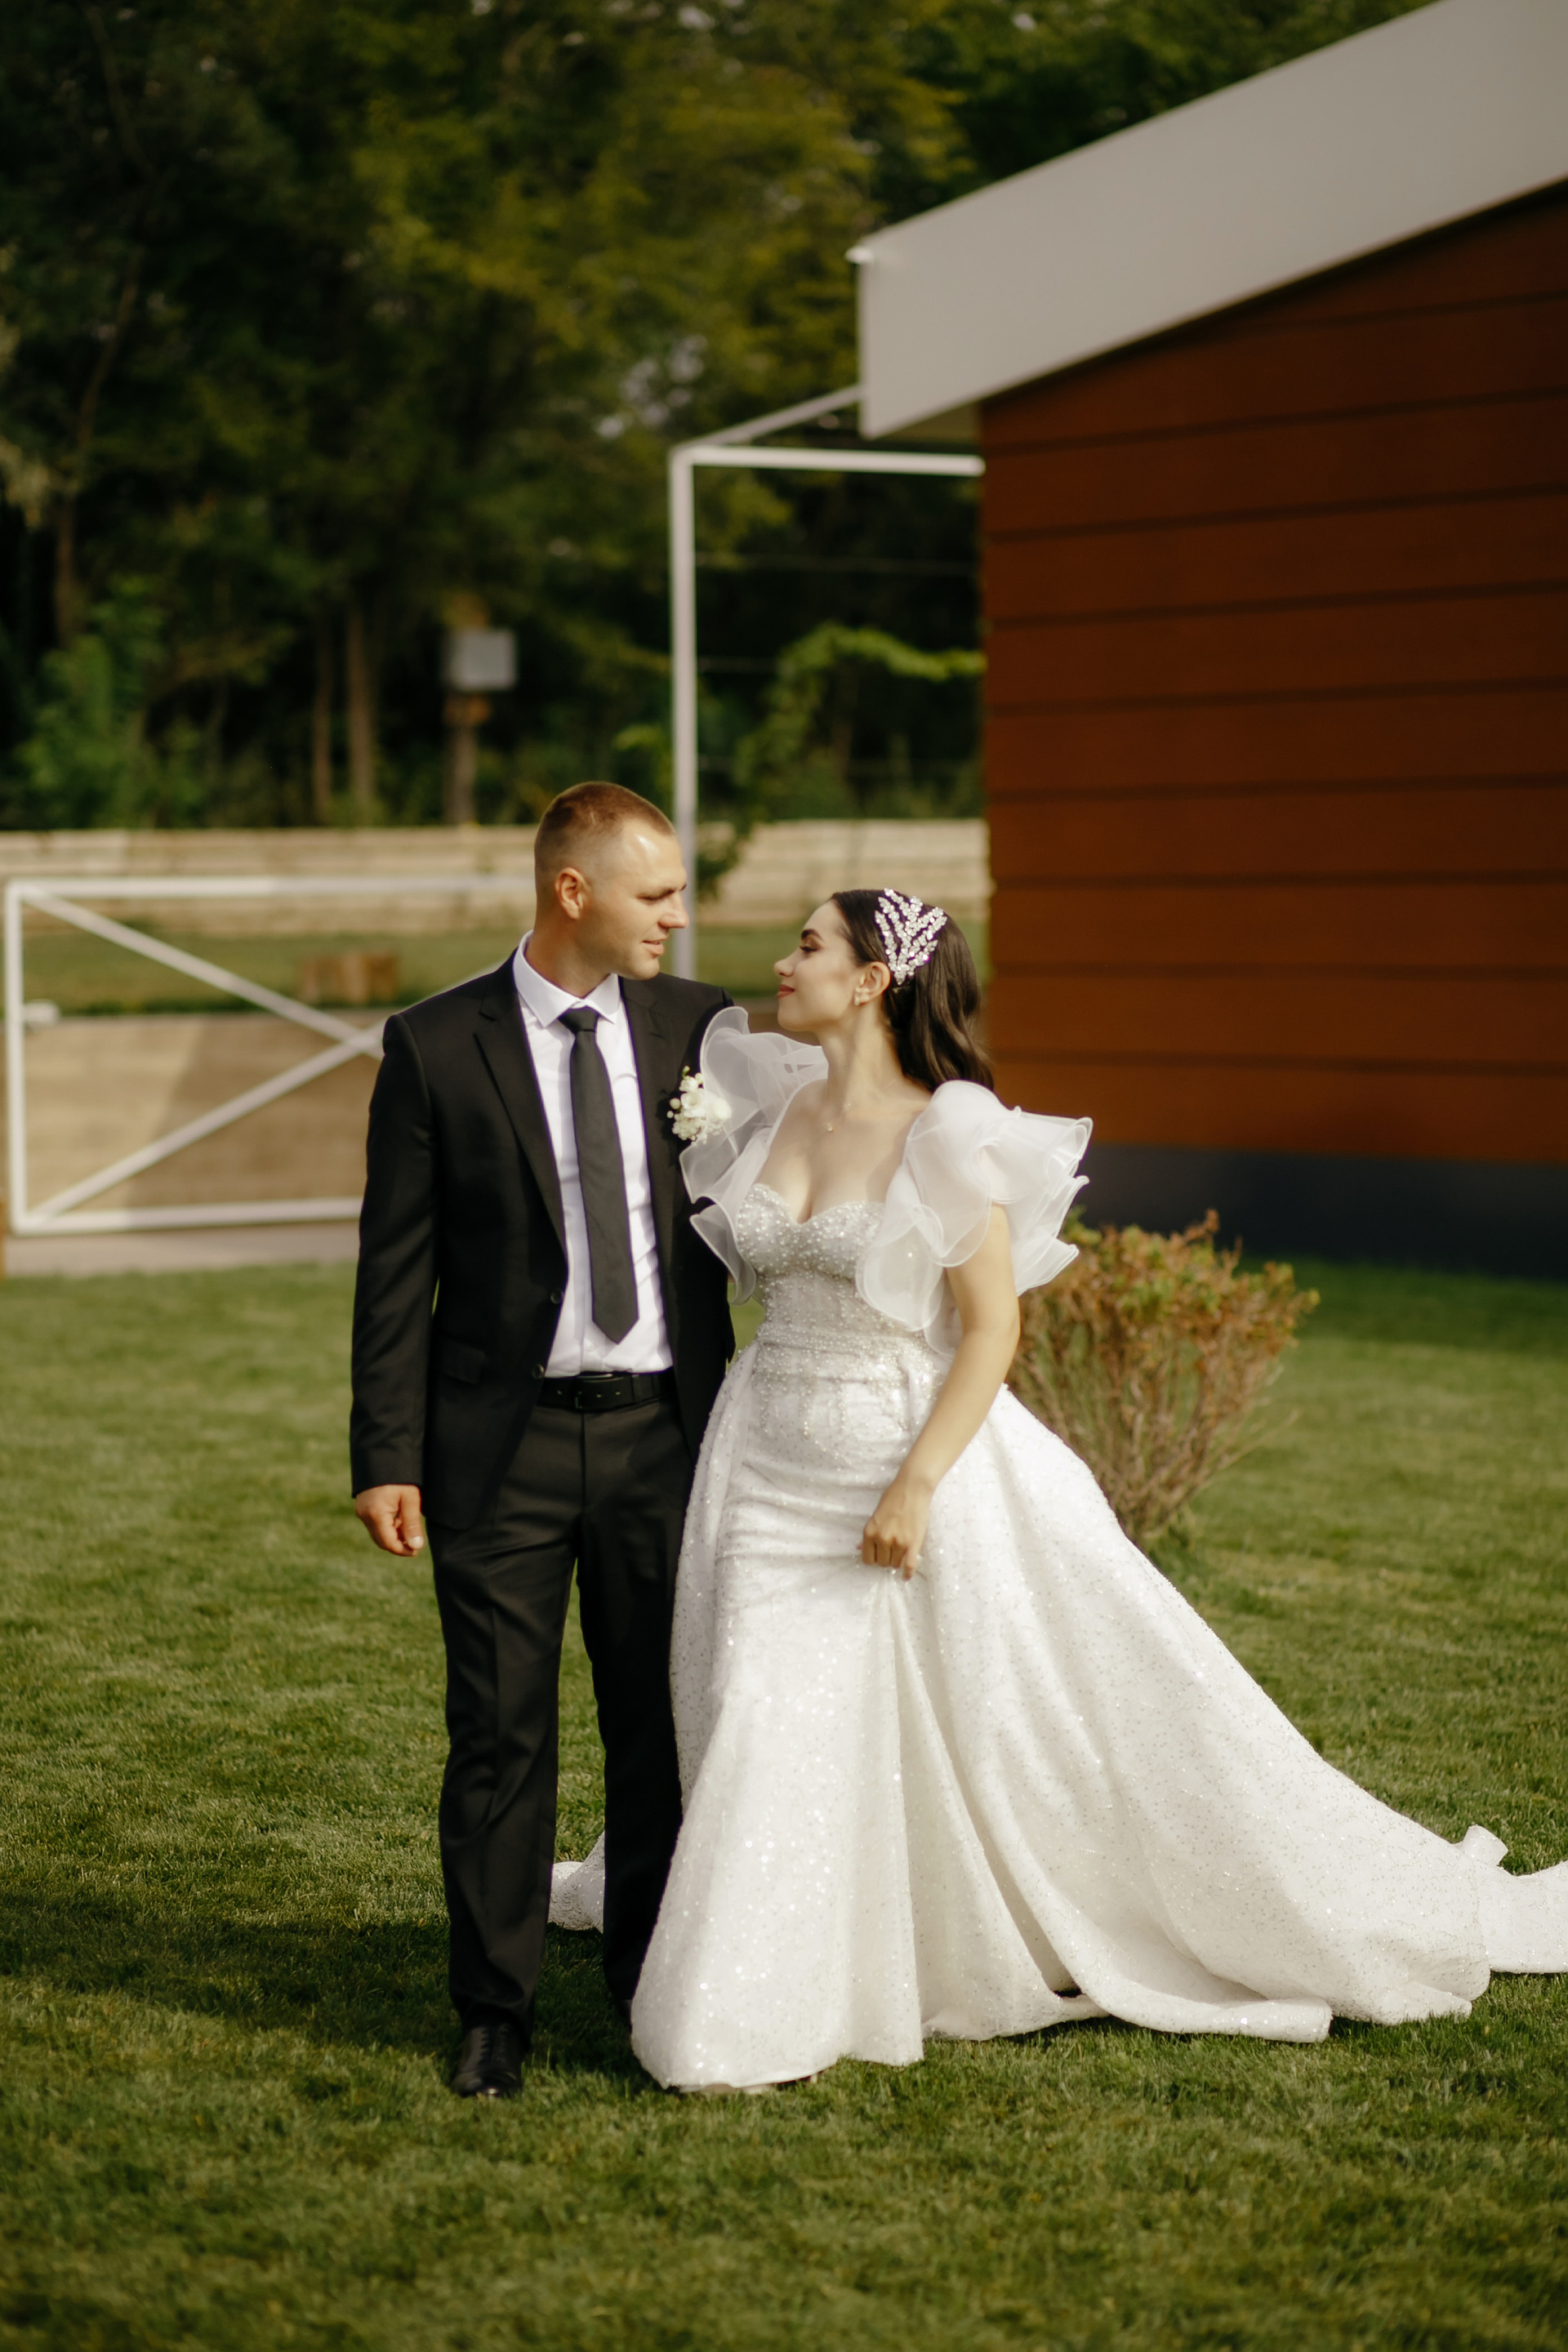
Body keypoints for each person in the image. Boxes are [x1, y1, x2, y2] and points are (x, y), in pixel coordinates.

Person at [591, 885, 1567, 2093]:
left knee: (984, 1725)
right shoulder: (778, 1106)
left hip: (892, 1454)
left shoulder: (951, 1131)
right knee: (759, 1707)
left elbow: (991, 1330)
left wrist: (915, 1484)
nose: (782, 965)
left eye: (808, 946)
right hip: (762, 1456)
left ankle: (775, 1997)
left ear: (873, 979)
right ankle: (783, 1968)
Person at [350, 782, 733, 2100]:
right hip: (496, 1451)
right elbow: (393, 1272)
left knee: (657, 1731)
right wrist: (386, 1453)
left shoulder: (702, 1030)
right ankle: (493, 2011)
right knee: (499, 1735)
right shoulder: (433, 1044)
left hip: (663, 1441)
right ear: (574, 890)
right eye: (655, 893)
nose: (677, 916)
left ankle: (648, 1988)